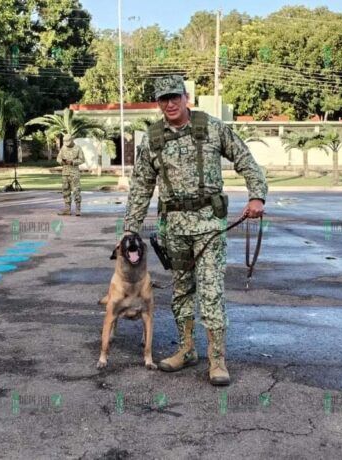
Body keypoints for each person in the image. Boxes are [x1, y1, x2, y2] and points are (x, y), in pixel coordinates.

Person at [122, 75, 267, 386]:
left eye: (175, 97)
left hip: (209, 226)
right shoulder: (153, 138)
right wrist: (130, 229)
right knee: (181, 291)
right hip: (173, 228)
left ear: (186, 97)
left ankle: (217, 360)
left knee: (211, 291)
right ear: (158, 103)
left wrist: (257, 195)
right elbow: (141, 186)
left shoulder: (212, 127)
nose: (170, 104)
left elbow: (245, 159)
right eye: (163, 99)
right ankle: (186, 349)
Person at [57, 136, 85, 216]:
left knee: (76, 191)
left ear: (72, 140)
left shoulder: (78, 148)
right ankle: (67, 210)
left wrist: (73, 162)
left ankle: (77, 209)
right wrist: (62, 162)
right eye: (65, 142)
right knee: (65, 191)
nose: (67, 144)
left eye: (68, 142)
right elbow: (58, 158)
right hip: (65, 173)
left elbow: (82, 159)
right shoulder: (63, 148)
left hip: (74, 173)